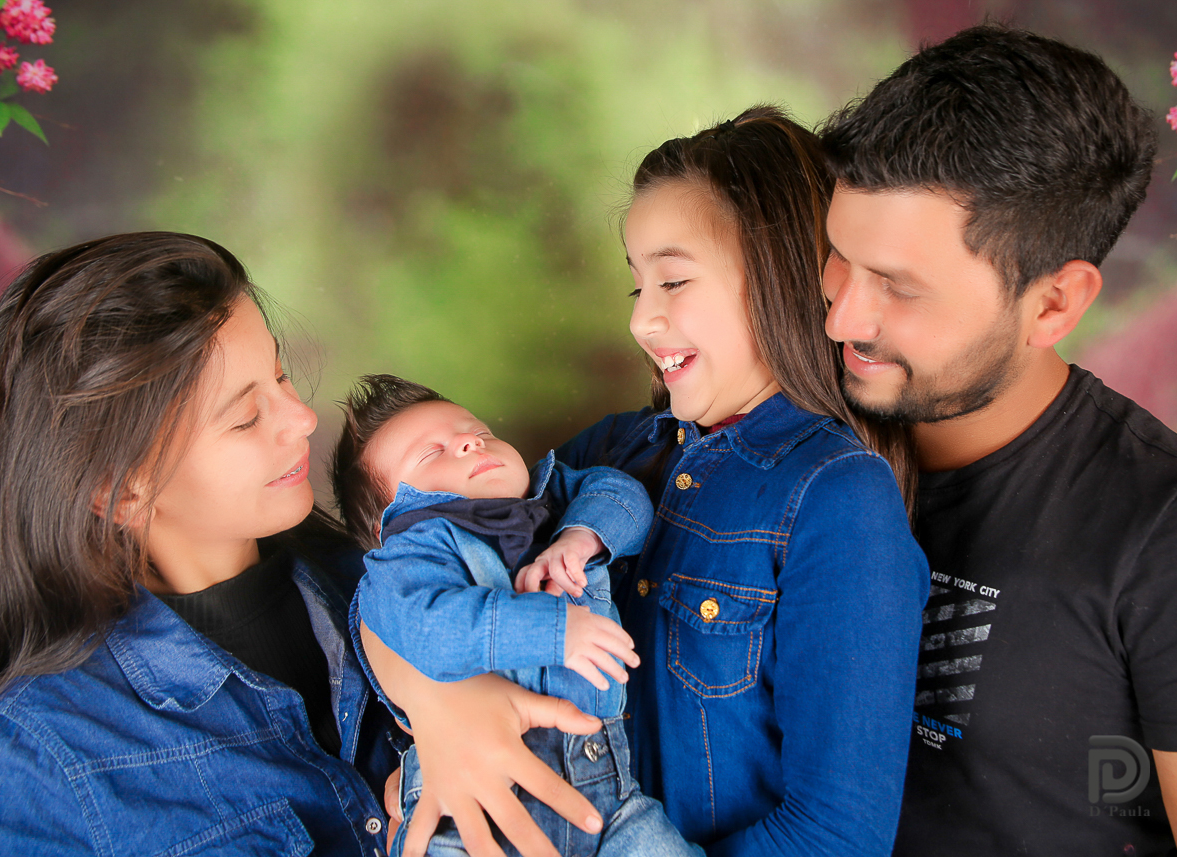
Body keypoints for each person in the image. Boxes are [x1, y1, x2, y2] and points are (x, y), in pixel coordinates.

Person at [359, 105, 931, 857]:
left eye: (672, 280)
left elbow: (836, 834)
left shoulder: (837, 497)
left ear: (778, 278)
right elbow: (393, 568)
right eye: (637, 288)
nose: (640, 322)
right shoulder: (612, 452)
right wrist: (439, 704)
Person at [817, 24, 1177, 856]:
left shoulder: (1165, 532)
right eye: (838, 256)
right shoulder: (792, 425)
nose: (843, 315)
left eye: (899, 287)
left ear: (1054, 305)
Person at [0, 232, 410, 856]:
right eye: (245, 418)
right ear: (119, 492)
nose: (302, 418)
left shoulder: (402, 571)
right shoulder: (37, 759)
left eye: (281, 375)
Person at [331, 374, 703, 857]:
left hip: (605, 790)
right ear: (393, 516)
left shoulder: (555, 496)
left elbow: (624, 495)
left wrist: (580, 537)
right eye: (432, 453)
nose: (470, 442)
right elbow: (433, 630)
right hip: (466, 815)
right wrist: (554, 629)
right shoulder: (408, 557)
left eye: (479, 432)